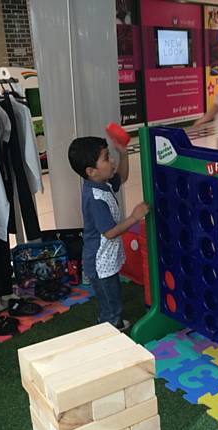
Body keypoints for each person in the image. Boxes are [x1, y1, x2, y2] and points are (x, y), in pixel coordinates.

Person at [68, 136, 149, 331]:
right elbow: (110, 232)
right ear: (91, 171)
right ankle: (112, 325)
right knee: (110, 300)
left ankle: (109, 320)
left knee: (111, 294)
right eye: (106, 158)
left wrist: (123, 153)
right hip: (99, 261)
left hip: (106, 258)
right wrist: (134, 217)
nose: (111, 161)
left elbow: (122, 176)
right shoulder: (95, 198)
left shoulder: (100, 182)